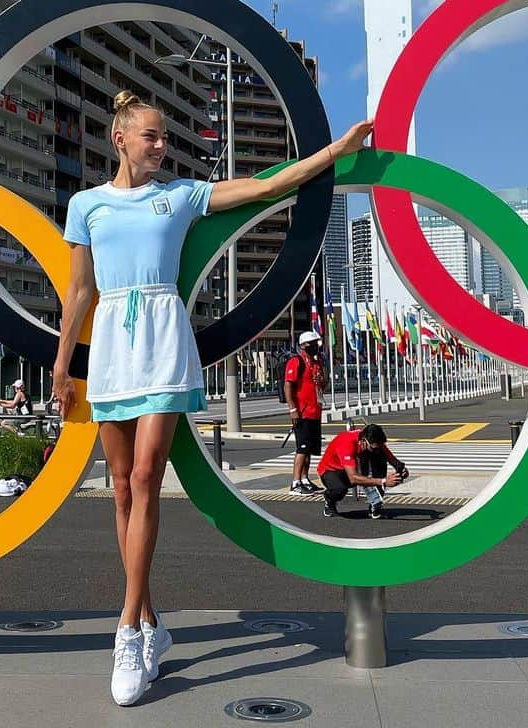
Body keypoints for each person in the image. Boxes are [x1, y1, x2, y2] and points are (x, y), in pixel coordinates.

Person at [52, 88, 373, 706]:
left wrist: (336, 150)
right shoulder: (86, 205)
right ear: (121, 139)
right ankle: (149, 621)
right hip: (113, 351)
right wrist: (64, 367)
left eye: (165, 136)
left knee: (147, 478)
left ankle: (125, 630)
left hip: (164, 342)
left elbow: (262, 188)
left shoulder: (179, 196)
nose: (162, 145)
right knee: (118, 487)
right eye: (152, 136)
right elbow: (78, 292)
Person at [317, 423, 408, 519]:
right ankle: (329, 501)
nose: (377, 450)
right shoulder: (346, 443)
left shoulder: (375, 442)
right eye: (374, 448)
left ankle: (375, 505)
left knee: (380, 459)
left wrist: (401, 471)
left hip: (354, 467)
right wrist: (383, 481)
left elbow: (393, 460)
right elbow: (353, 478)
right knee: (340, 489)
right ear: (363, 441)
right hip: (332, 470)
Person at [284, 331, 325, 494]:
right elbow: (288, 386)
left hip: (315, 411)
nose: (315, 346)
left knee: (309, 449)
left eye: (316, 343)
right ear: (303, 346)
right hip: (302, 412)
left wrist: (322, 381)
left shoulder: (317, 363)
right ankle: (295, 482)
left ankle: (305, 479)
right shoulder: (296, 361)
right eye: (311, 343)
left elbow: (323, 385)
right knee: (302, 448)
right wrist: (293, 409)